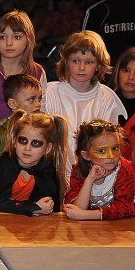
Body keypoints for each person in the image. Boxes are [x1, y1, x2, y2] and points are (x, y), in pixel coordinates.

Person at [43, 31, 127, 174]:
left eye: (89, 62)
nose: (81, 67)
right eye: (76, 61)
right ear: (66, 61)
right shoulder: (50, 93)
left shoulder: (106, 97)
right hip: (53, 173)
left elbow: (109, 144)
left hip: (95, 174)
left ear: (98, 65)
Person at [0, 110, 67, 216]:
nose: (27, 148)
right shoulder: (4, 165)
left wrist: (41, 208)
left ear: (48, 148)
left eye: (36, 143)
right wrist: (32, 208)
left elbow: (51, 205)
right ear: (14, 141)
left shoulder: (48, 168)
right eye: (23, 141)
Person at [62, 120, 135, 221]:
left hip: (119, 228)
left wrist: (86, 215)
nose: (111, 156)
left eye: (115, 148)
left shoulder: (126, 169)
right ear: (86, 155)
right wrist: (90, 180)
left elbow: (127, 207)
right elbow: (76, 209)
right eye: (102, 151)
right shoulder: (78, 171)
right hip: (86, 229)